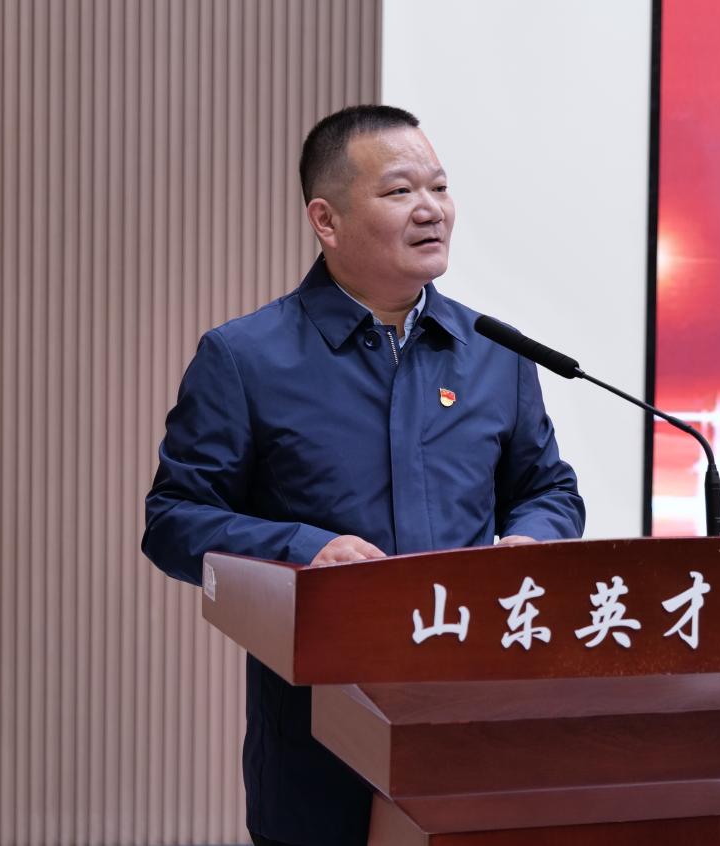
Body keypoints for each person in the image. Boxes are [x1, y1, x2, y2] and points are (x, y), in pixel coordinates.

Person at [142, 104, 585, 846]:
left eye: (439, 187)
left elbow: (548, 489)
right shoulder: (246, 359)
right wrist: (305, 550)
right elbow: (173, 521)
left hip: (472, 725)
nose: (430, 210)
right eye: (400, 191)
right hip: (320, 740)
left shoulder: (495, 355)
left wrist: (530, 541)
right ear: (327, 219)